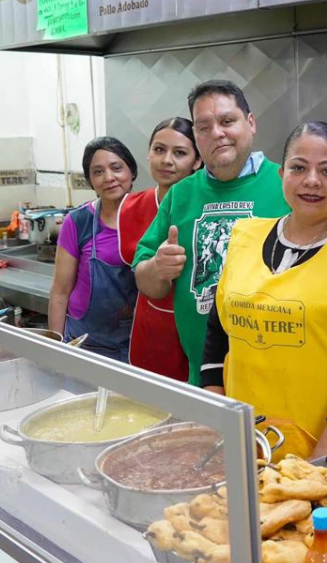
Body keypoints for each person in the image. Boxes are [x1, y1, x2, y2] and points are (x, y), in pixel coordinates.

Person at [201, 122, 327, 459]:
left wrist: (313, 470)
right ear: (281, 174)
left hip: (321, 453)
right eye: (298, 168)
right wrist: (219, 432)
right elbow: (216, 344)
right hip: (241, 444)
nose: (312, 180)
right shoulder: (244, 238)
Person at [134, 81, 290, 384]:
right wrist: (157, 268)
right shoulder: (180, 195)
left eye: (227, 121)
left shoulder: (287, 183)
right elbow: (147, 282)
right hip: (202, 377)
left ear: (251, 123)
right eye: (204, 127)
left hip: (277, 376)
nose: (217, 133)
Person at [117, 117, 202, 381]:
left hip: (200, 330)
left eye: (180, 153)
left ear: (197, 161)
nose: (167, 160)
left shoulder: (208, 205)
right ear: (148, 153)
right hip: (150, 329)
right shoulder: (130, 206)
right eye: (159, 149)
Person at [49, 137, 139, 362]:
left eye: (116, 168)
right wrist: (55, 348)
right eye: (98, 172)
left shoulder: (153, 216)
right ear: (90, 180)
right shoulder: (78, 222)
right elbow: (60, 291)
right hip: (84, 344)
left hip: (137, 345)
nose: (109, 178)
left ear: (132, 172)